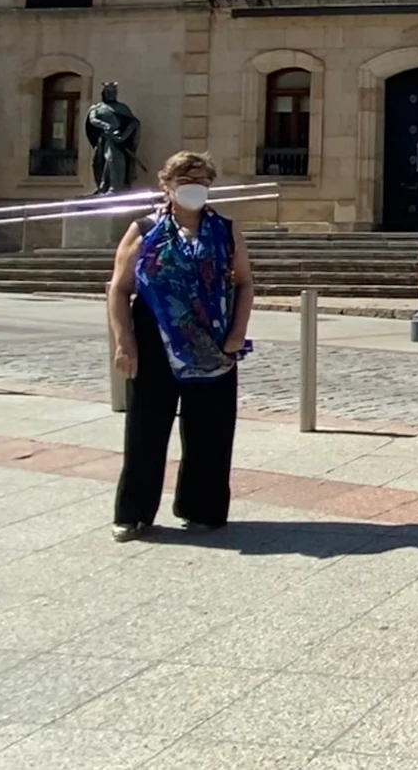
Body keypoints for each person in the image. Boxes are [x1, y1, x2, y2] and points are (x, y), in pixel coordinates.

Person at [107, 152, 252, 542]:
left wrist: (237, 333)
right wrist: (124, 344)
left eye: (203, 179)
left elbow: (243, 282)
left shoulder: (225, 229)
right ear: (166, 185)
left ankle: (202, 507)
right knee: (146, 430)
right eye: (186, 178)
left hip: (213, 343)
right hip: (155, 341)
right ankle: (134, 514)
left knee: (211, 431)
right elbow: (119, 290)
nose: (195, 186)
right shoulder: (143, 230)